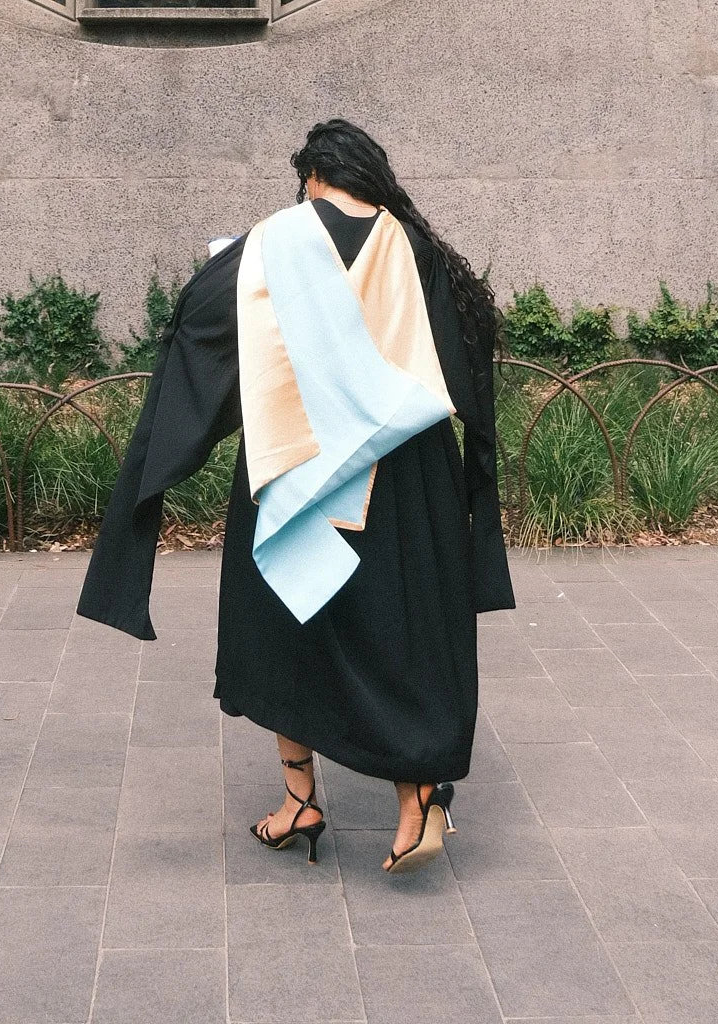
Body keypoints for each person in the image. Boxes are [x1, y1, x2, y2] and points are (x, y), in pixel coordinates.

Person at [78, 119, 514, 872]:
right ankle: (415, 803)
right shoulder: (414, 248)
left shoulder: (269, 244)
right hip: (407, 476)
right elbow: (464, 360)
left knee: (283, 625)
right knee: (408, 628)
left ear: (311, 179)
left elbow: (197, 330)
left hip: (292, 468)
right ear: (370, 177)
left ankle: (299, 801)